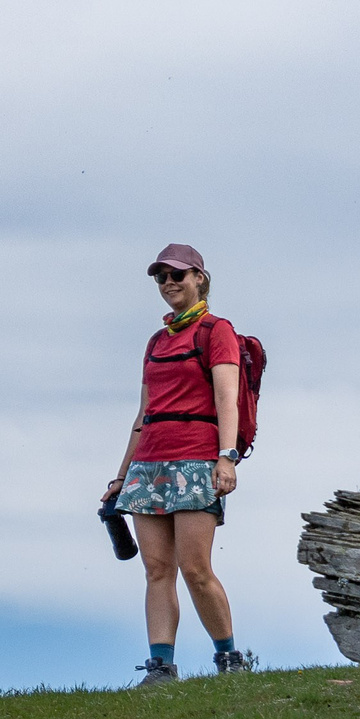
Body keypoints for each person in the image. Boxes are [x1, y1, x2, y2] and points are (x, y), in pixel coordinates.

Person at [105, 243, 248, 684]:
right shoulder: (156, 341)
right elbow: (143, 414)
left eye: (178, 275)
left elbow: (227, 398)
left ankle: (229, 659)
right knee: (157, 570)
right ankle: (161, 667)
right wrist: (121, 474)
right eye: (161, 277)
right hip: (149, 463)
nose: (169, 283)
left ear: (199, 278)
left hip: (195, 458)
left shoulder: (216, 330)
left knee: (195, 568)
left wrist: (227, 458)